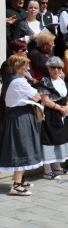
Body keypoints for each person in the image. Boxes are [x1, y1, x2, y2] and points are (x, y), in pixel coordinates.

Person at [0, 55, 42, 195]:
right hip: (21, 116)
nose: (28, 68)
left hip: (15, 115)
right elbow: (37, 97)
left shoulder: (10, 79)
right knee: (22, 147)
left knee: (21, 145)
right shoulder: (19, 81)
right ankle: (17, 185)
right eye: (25, 66)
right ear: (18, 66)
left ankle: (21, 179)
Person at [37, 56, 68, 180]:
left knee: (60, 138)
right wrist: (60, 108)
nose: (56, 70)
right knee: (49, 139)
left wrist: (67, 106)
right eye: (53, 67)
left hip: (63, 113)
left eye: (59, 67)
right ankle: (47, 170)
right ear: (48, 68)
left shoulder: (62, 80)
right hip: (51, 114)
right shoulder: (45, 81)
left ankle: (57, 167)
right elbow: (45, 100)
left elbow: (67, 96)